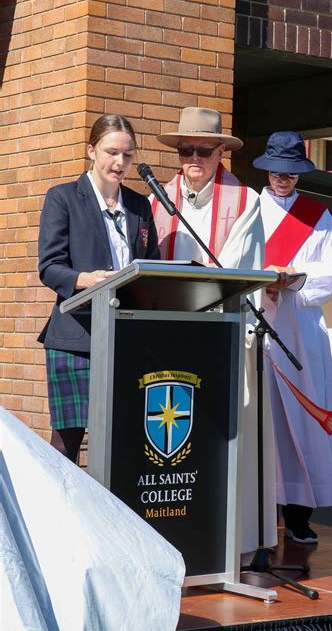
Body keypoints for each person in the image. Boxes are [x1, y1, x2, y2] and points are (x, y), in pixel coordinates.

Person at [151, 106, 277, 553]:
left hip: (225, 335)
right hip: (170, 339)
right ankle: (173, 537)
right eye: (186, 150)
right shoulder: (156, 200)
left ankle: (229, 541)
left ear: (221, 152)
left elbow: (248, 269)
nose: (194, 159)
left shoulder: (246, 202)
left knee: (227, 441)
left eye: (204, 150)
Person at [38, 114, 160, 463]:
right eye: (111, 152)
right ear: (91, 150)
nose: (120, 163)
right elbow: (49, 267)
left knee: (125, 440)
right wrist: (86, 280)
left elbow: (150, 263)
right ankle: (58, 515)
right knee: (67, 444)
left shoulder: (139, 205)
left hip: (126, 337)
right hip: (76, 336)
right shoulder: (63, 198)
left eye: (128, 155)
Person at [254, 131, 332, 543]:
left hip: (303, 330)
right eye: (278, 170)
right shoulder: (250, 211)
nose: (283, 179)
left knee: (305, 421)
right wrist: (263, 281)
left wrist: (297, 280)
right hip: (261, 323)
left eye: (292, 173)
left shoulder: (317, 215)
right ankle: (256, 515)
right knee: (263, 419)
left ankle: (298, 515)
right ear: (267, 168)